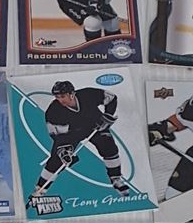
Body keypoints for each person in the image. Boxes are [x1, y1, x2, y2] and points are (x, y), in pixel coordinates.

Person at [26, 80, 133, 211]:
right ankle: (40, 189)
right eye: (57, 97)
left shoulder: (87, 94)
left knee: (109, 147)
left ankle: (116, 178)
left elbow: (111, 98)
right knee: (57, 161)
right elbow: (57, 136)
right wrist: (64, 151)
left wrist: (108, 115)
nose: (60, 100)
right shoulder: (53, 111)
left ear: (72, 94)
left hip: (95, 126)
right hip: (71, 133)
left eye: (62, 96)